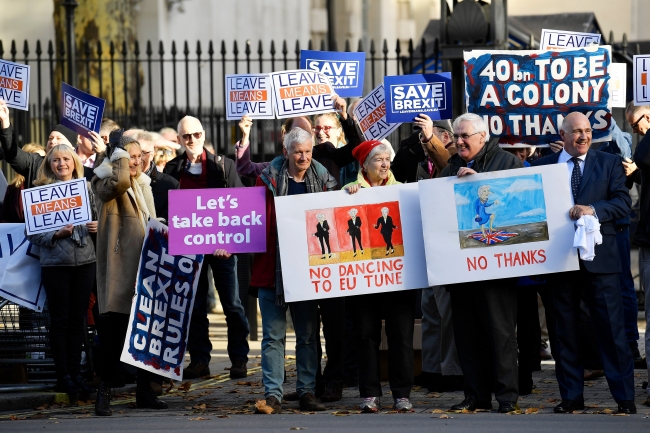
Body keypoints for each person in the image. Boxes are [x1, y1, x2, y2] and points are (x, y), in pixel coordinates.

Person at [532, 112, 635, 414]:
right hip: (558, 262)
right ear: (562, 135)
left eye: (588, 131)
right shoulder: (541, 167)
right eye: (576, 131)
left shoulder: (608, 162)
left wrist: (592, 209)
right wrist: (470, 178)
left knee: (611, 331)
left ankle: (624, 398)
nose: (584, 137)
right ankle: (571, 397)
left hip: (600, 261)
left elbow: (622, 203)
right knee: (563, 333)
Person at [440, 113, 523, 414]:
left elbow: (517, 205)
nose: (459, 141)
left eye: (465, 136)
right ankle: (475, 394)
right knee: (467, 334)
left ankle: (506, 396)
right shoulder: (450, 166)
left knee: (499, 332)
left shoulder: (506, 163)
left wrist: (480, 186)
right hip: (461, 268)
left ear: (482, 136)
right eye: (456, 136)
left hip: (496, 268)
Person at [251, 127, 336, 413]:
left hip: (307, 272)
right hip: (271, 270)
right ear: (286, 152)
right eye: (298, 152)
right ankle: (273, 393)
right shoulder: (265, 181)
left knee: (308, 335)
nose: (304, 157)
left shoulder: (323, 179)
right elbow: (248, 222)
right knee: (273, 335)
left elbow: (336, 216)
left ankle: (307, 391)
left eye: (308, 152)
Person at [163, 116, 249, 380]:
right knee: (195, 306)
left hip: (222, 249)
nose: (192, 140)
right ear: (178, 140)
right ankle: (200, 360)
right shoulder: (172, 168)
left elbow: (240, 206)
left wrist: (230, 244)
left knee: (232, 305)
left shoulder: (223, 166)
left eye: (196, 134)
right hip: (190, 250)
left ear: (203, 134)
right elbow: (165, 208)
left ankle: (239, 359)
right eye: (186, 136)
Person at [92, 130, 166, 415]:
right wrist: (117, 154)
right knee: (113, 338)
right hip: (119, 274)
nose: (135, 162)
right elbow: (121, 179)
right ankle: (104, 392)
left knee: (144, 333)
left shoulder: (143, 185)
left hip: (144, 272)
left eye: (138, 157)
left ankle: (144, 392)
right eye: (129, 157)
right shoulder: (106, 180)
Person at [344, 139, 414, 413]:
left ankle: (402, 394)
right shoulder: (349, 193)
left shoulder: (403, 191)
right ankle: (370, 393)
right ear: (365, 164)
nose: (385, 164)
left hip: (399, 278)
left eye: (388, 159)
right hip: (365, 280)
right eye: (378, 159)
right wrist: (346, 194)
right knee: (366, 335)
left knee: (400, 336)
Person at [27, 145, 98, 403]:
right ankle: (63, 375)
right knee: (60, 320)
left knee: (78, 319)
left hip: (85, 262)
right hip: (55, 266)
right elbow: (32, 233)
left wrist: (97, 225)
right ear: (49, 165)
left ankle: (76, 375)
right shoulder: (39, 193)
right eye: (55, 160)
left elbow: (103, 218)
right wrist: (56, 234)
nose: (61, 164)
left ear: (75, 162)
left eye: (66, 158)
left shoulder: (87, 189)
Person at [0, 100, 100, 186]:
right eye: (50, 138)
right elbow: (12, 153)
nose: (53, 141)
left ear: (72, 146)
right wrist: (5, 121)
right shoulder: (34, 164)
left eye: (58, 138)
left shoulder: (86, 174)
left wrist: (103, 152)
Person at [622, 102, 650, 407]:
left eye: (636, 123)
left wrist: (636, 167)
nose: (634, 130)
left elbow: (641, 156)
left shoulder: (645, 147)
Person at [126, 130, 179, 223]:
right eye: (132, 154)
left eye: (142, 153)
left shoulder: (170, 185)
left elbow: (175, 221)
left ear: (152, 154)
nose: (138, 159)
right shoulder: (120, 183)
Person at [391, 115, 454, 183]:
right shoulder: (410, 150)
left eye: (428, 134)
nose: (422, 141)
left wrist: (430, 139)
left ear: (445, 137)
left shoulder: (458, 154)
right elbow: (393, 179)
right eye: (421, 135)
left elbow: (447, 166)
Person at [1, 143, 44, 223]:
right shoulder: (12, 189)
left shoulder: (49, 185)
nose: (40, 165)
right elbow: (5, 218)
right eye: (36, 161)